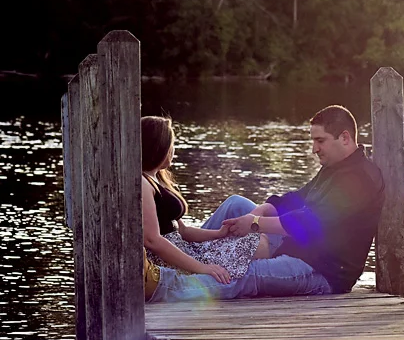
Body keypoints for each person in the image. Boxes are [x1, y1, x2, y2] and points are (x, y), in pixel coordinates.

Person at [149, 105, 385, 302]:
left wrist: (254, 223)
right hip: (297, 245)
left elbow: (311, 222)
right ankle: (188, 259)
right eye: (313, 140)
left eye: (320, 140)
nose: (314, 149)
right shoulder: (333, 167)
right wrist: (261, 210)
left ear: (344, 137)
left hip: (322, 270)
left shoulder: (359, 179)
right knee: (236, 204)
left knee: (242, 273)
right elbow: (296, 199)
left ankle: (161, 287)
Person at [140, 116, 263, 292]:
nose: (173, 150)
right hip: (170, 261)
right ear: (159, 147)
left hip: (186, 250)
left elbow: (183, 231)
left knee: (249, 240)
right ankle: (301, 264)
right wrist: (201, 268)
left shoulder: (157, 179)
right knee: (250, 251)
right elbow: (152, 240)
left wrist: (219, 234)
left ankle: (295, 252)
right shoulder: (144, 183)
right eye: (171, 144)